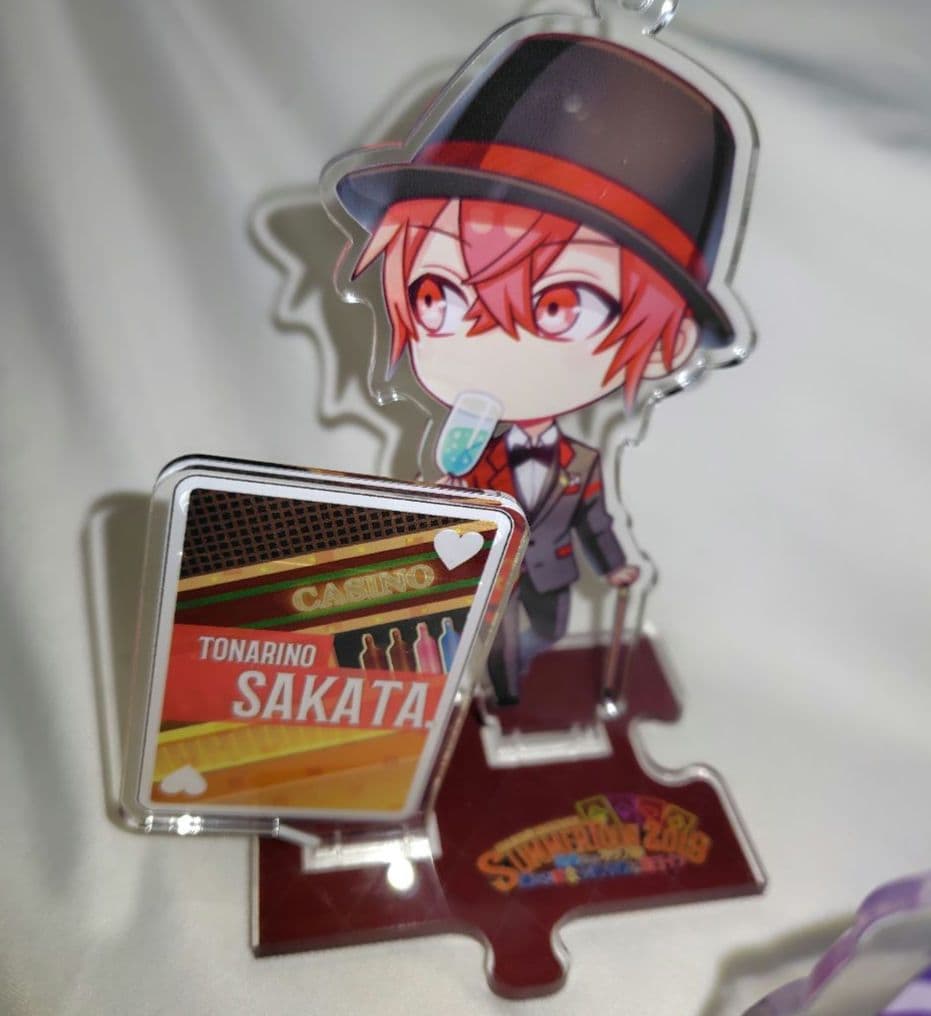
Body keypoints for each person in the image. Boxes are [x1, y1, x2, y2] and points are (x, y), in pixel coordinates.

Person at [335, 33, 742, 702]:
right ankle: (496, 698)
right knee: (488, 650)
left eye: (558, 306)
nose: (489, 338)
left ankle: (514, 680)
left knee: (544, 633)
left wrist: (614, 568)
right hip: (478, 576)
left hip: (551, 578)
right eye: (436, 295)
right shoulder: (470, 455)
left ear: (664, 346)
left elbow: (596, 521)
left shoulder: (581, 463)